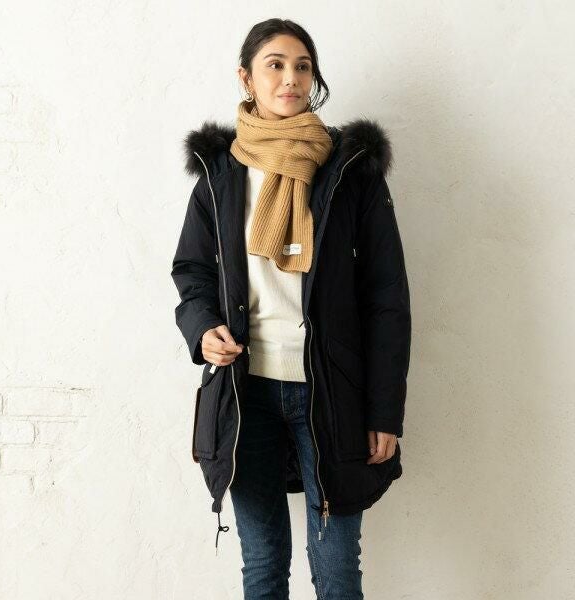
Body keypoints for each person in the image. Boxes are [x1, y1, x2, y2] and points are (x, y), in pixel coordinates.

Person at [171, 18, 411, 600]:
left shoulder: (350, 172)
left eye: (303, 66)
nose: (291, 78)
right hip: (244, 391)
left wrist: (384, 411)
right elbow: (192, 272)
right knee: (262, 564)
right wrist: (203, 328)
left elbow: (386, 298)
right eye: (275, 65)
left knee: (336, 569)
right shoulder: (220, 175)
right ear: (246, 78)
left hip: (331, 393)